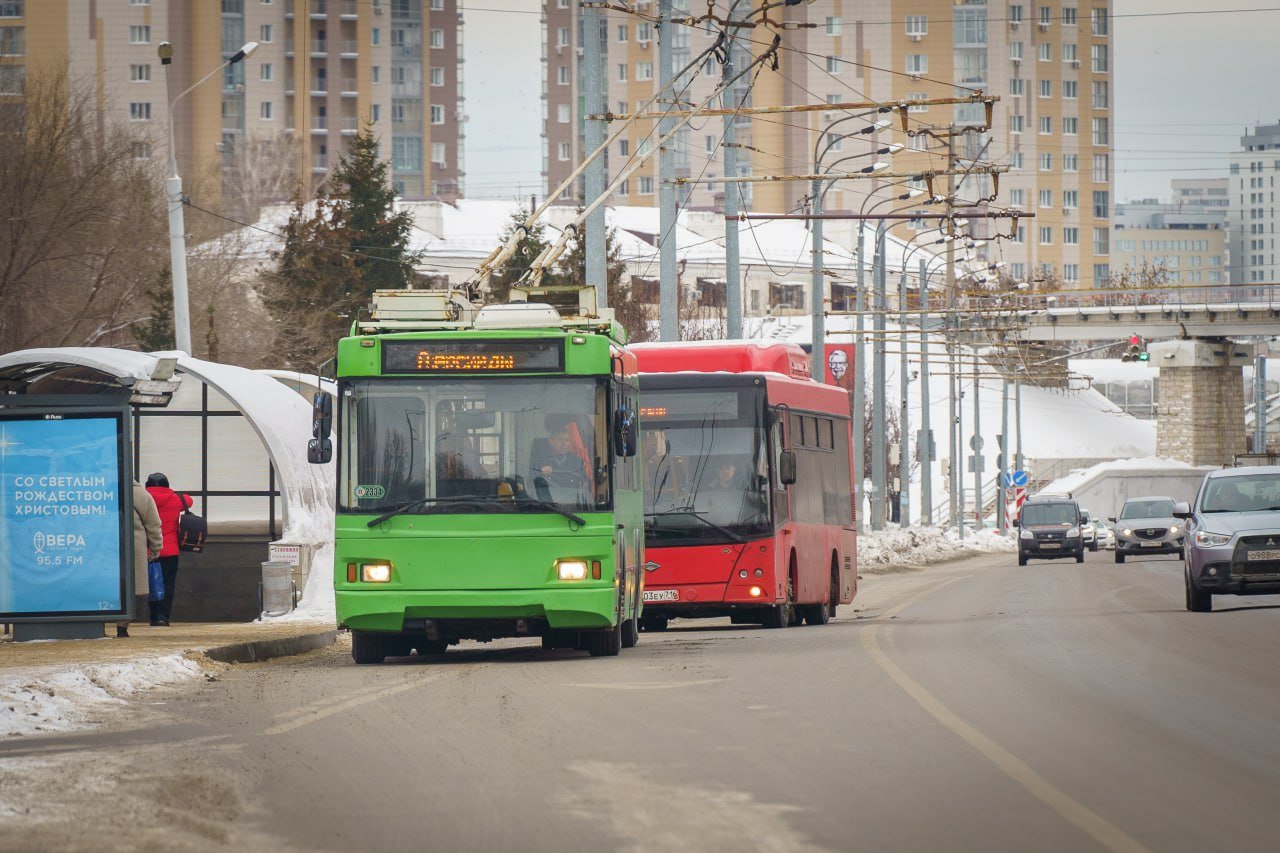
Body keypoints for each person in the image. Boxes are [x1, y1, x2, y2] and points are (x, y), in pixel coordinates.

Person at [145, 472, 194, 626]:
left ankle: (153, 617)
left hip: (148, 550)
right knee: (168, 584)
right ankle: (163, 617)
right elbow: (189, 500)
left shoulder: (143, 499)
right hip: (171, 550)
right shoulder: (176, 499)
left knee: (151, 583)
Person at [120, 480, 162, 638]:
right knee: (130, 587)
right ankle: (122, 626)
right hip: (134, 547)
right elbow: (153, 524)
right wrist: (156, 547)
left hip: (107, 545)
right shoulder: (142, 494)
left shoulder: (105, 488)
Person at [531, 414, 591, 481]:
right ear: (551, 441)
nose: (564, 444)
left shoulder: (577, 461)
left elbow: (585, 484)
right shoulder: (541, 461)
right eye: (560, 439)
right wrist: (540, 473)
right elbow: (531, 482)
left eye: (567, 440)